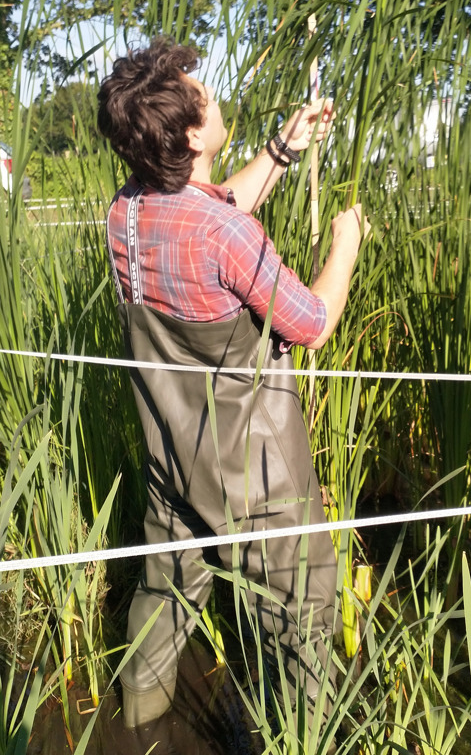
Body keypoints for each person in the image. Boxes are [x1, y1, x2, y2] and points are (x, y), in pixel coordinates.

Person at [96, 37, 369, 742]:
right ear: (191, 132)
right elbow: (311, 324)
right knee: (298, 603)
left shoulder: (125, 213)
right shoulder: (226, 232)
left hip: (173, 455)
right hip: (256, 473)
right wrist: (345, 246)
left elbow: (206, 209)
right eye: (205, 97)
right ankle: (308, 734)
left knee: (166, 589)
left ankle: (138, 720)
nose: (216, 100)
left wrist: (284, 147)